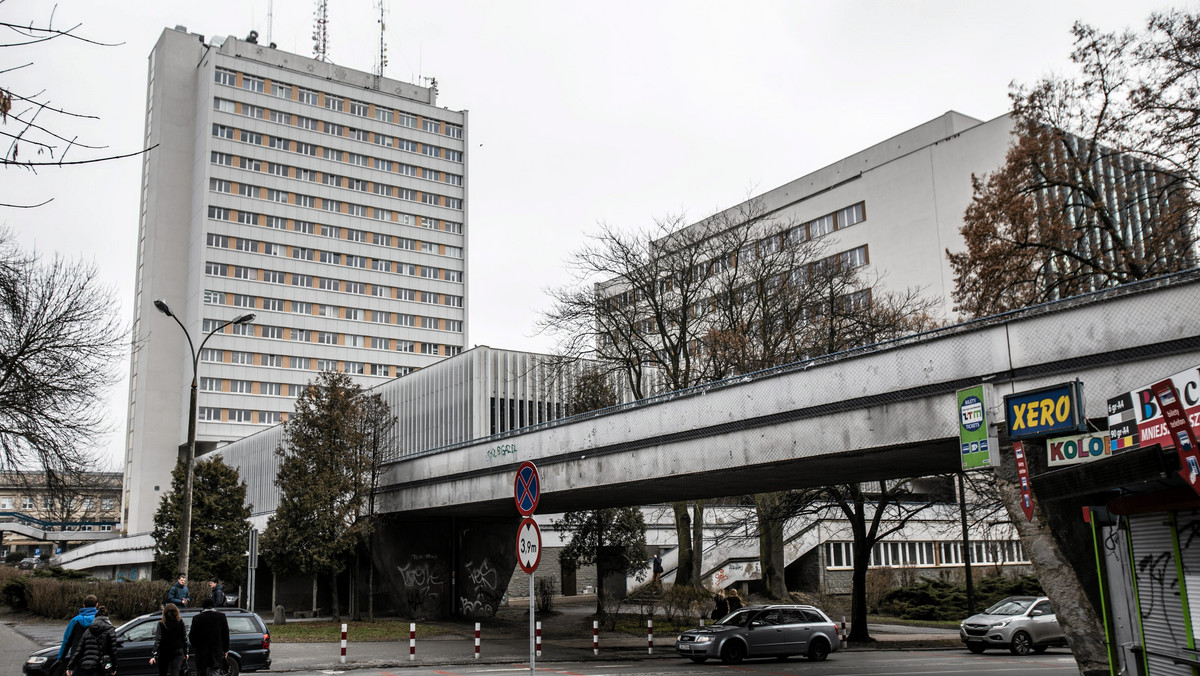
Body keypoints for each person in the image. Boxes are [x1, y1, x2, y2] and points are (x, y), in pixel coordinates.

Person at [66, 604, 115, 676]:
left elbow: (79, 651)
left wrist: (70, 666)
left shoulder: (88, 630)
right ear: (107, 618)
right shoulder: (110, 630)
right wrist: (113, 668)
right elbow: (113, 651)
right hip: (100, 667)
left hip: (85, 666)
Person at [190, 598, 230, 676]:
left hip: (202, 652)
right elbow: (225, 634)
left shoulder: (197, 618)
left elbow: (192, 636)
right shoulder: (221, 616)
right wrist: (226, 649)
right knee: (215, 671)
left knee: (202, 672)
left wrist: (197, 646)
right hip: (216, 651)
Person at [150, 603, 188, 676]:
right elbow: (184, 638)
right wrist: (186, 652)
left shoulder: (162, 623)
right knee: (175, 671)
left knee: (163, 671)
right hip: (177, 649)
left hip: (164, 650)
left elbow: (158, 639)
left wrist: (154, 654)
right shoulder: (180, 622)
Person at [58, 594, 99, 662]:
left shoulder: (75, 621)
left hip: (77, 657)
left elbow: (67, 640)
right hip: (96, 658)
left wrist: (61, 658)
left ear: (83, 605)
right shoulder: (101, 620)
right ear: (96, 605)